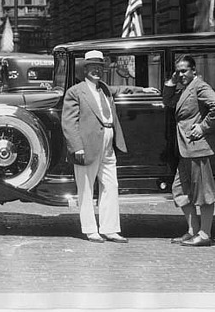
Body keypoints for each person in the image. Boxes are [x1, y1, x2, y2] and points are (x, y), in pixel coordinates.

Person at [62, 49, 156, 243]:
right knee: (86, 188)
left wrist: (143, 90)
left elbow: (121, 89)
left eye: (99, 67)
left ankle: (110, 229)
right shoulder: (75, 92)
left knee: (111, 185)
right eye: (92, 67)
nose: (96, 71)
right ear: (85, 69)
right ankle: (90, 230)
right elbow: (69, 123)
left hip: (108, 141)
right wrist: (76, 147)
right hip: (86, 145)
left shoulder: (104, 88)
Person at [162, 54, 215, 247]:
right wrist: (172, 81)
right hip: (185, 149)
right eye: (179, 71)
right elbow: (167, 100)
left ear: (194, 71)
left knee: (203, 193)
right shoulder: (184, 88)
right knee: (180, 190)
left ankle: (205, 235)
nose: (181, 74)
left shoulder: (199, 86)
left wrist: (203, 126)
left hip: (197, 148)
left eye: (184, 71)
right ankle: (192, 231)